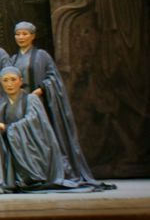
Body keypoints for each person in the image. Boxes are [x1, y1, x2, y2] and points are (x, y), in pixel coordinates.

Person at [7, 22, 107, 188]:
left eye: (25, 34)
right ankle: (33, 172)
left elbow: (53, 77)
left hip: (41, 103)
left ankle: (53, 171)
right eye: (18, 34)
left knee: (45, 137)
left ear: (33, 36)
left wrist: (41, 89)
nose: (21, 37)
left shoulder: (42, 56)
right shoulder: (14, 59)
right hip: (22, 105)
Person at [0, 66, 74, 191]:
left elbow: (33, 121)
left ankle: (33, 174)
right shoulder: (3, 105)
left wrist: (7, 127)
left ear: (20, 81)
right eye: (5, 80)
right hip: (14, 145)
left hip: (34, 145)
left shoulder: (31, 99)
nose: (9, 84)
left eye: (13, 79)